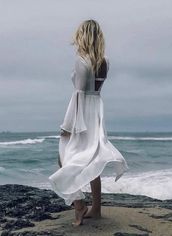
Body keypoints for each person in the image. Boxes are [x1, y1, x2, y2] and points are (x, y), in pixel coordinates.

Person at [48, 19, 129, 227]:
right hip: (96, 111)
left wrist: (67, 126)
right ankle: (97, 209)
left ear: (83, 36)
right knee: (93, 158)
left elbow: (78, 96)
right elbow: (92, 92)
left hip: (82, 113)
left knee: (65, 158)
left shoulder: (81, 61)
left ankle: (79, 205)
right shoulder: (105, 62)